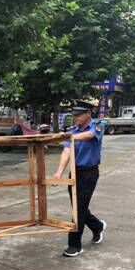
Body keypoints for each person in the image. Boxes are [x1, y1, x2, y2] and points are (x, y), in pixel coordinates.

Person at [53, 102, 107, 257]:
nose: (75, 118)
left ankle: (74, 245)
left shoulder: (98, 126)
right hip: (75, 173)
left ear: (88, 113)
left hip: (89, 173)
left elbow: (89, 135)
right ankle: (97, 226)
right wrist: (59, 172)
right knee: (79, 208)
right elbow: (66, 152)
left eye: (78, 115)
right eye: (74, 115)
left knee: (79, 209)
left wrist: (70, 137)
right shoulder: (72, 131)